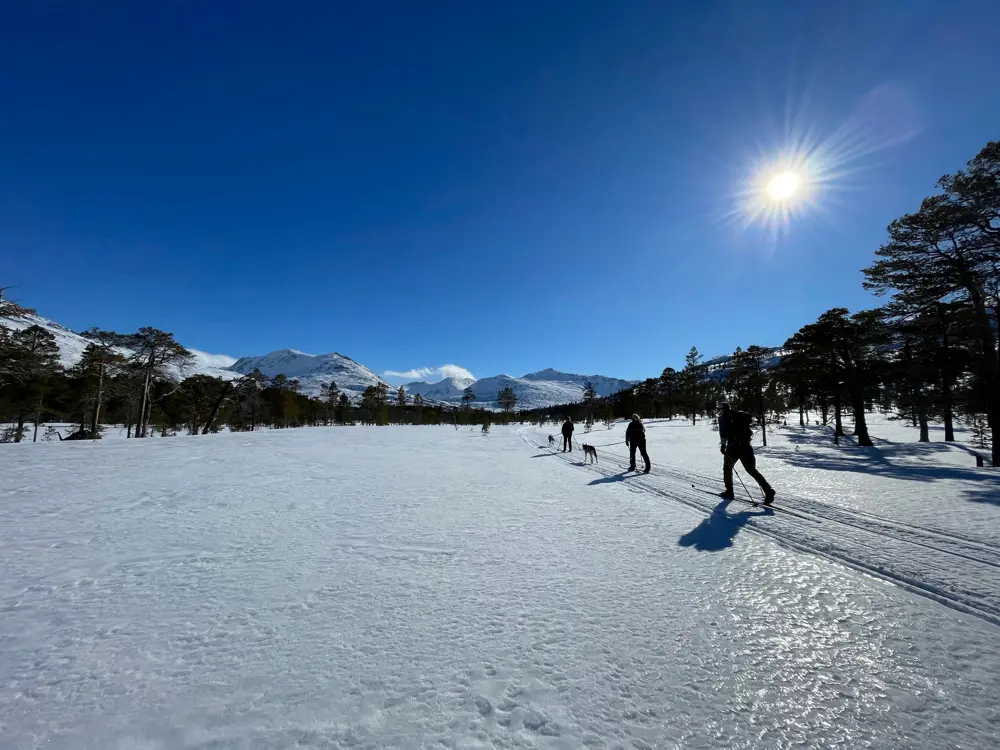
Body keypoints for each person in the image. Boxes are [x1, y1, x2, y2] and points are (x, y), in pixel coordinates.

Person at [718, 401, 775, 505]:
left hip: (733, 448)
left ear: (722, 409)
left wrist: (723, 446)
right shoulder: (740, 415)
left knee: (727, 468)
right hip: (746, 446)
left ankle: (729, 492)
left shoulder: (723, 418)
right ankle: (768, 491)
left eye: (720, 409)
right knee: (752, 470)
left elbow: (723, 434)